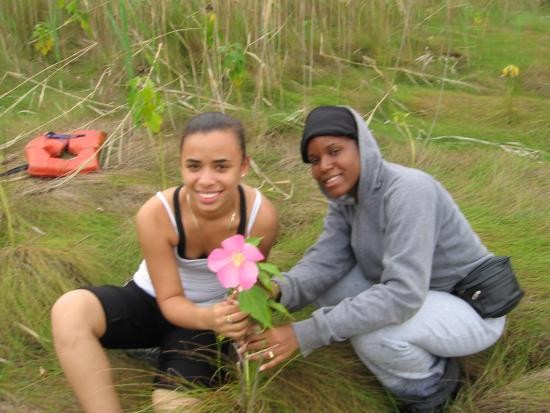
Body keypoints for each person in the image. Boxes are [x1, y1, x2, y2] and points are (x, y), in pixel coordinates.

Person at [246, 106, 506, 412]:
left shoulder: (409, 191)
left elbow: (402, 295)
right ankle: (408, 349)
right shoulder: (346, 201)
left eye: (334, 151)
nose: (325, 166)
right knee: (327, 287)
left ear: (362, 146)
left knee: (376, 336)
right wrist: (273, 292)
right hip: (421, 295)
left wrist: (303, 334)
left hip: (470, 308)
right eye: (315, 160)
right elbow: (324, 262)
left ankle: (433, 388)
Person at [51, 112, 279, 413]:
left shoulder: (260, 217)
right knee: (69, 310)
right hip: (152, 301)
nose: (206, 180)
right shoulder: (156, 214)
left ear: (244, 166)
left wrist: (239, 314)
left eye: (221, 166)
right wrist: (209, 318)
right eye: (194, 167)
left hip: (205, 321)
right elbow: (169, 299)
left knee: (174, 407)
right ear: (181, 165)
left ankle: (194, 360)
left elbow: (251, 285)